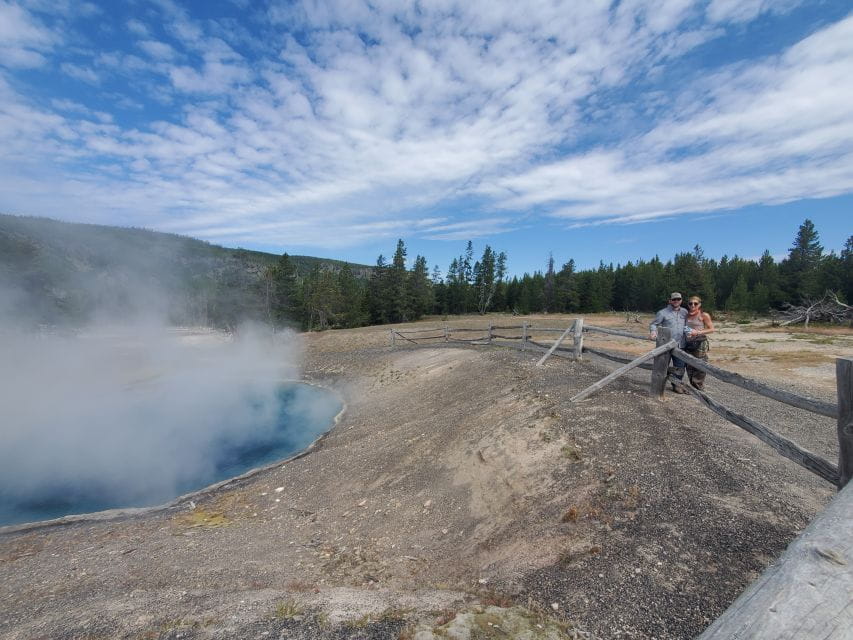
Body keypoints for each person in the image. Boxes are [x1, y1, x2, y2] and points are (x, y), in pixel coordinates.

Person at [649, 292, 688, 393]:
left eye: (678, 299)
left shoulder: (685, 312)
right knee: (662, 365)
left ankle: (677, 385)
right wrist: (653, 332)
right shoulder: (662, 312)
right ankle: (659, 385)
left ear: (681, 300)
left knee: (680, 366)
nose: (676, 301)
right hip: (665, 345)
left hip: (680, 344)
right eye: (674, 299)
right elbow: (654, 324)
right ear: (670, 300)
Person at [683, 295, 715, 390]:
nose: (693, 305)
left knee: (700, 364)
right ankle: (693, 385)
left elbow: (712, 329)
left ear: (699, 304)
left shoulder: (703, 315)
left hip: (700, 342)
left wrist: (698, 332)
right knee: (689, 363)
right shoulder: (686, 315)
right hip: (688, 342)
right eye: (690, 303)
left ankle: (698, 386)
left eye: (695, 303)